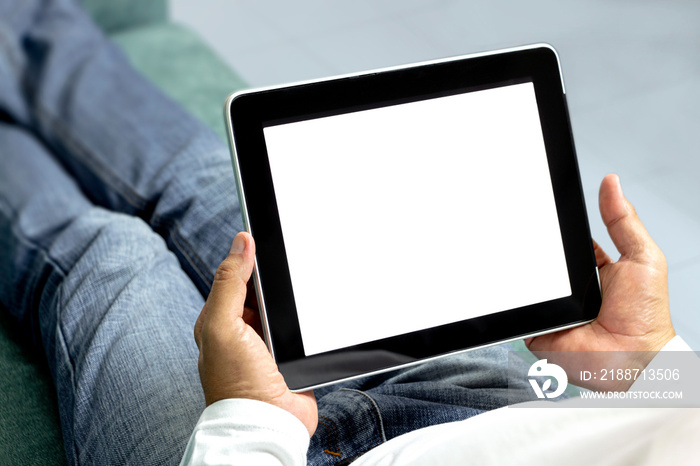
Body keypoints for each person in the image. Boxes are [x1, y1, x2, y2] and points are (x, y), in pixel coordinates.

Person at [0, 1, 695, 465]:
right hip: (491, 404)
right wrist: (649, 363)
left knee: (111, 259)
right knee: (210, 180)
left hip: (268, 452)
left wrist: (252, 422)